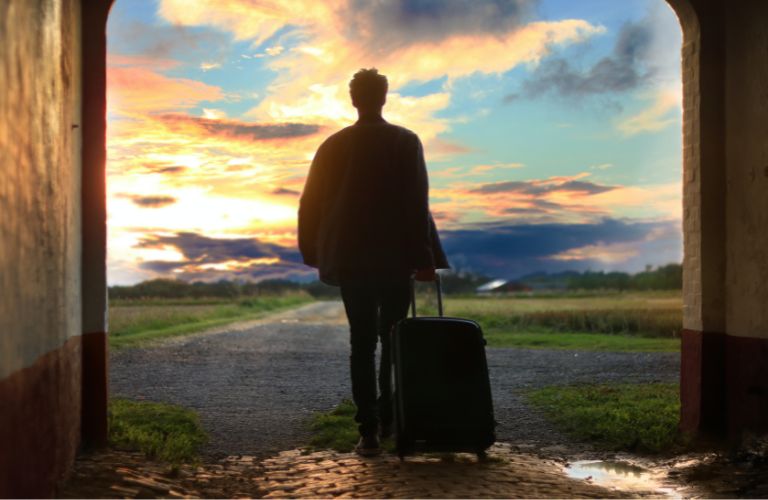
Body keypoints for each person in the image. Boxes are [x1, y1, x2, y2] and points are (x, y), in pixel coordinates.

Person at [298, 68, 449, 456]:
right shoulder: (405, 141)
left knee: (361, 344)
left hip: (350, 261)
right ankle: (388, 420)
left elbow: (310, 203)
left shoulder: (332, 146)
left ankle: (367, 433)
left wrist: (315, 253)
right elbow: (417, 205)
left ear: (353, 100)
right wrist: (424, 259)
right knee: (393, 339)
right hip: (395, 259)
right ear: (384, 98)